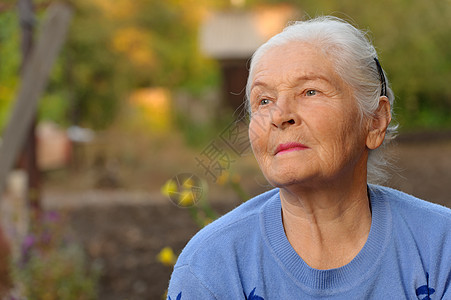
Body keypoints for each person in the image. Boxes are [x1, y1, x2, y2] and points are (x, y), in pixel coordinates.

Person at [167, 16, 451, 299]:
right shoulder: (211, 265)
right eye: (264, 101)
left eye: (310, 91)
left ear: (375, 121)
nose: (280, 115)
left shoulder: (440, 249)